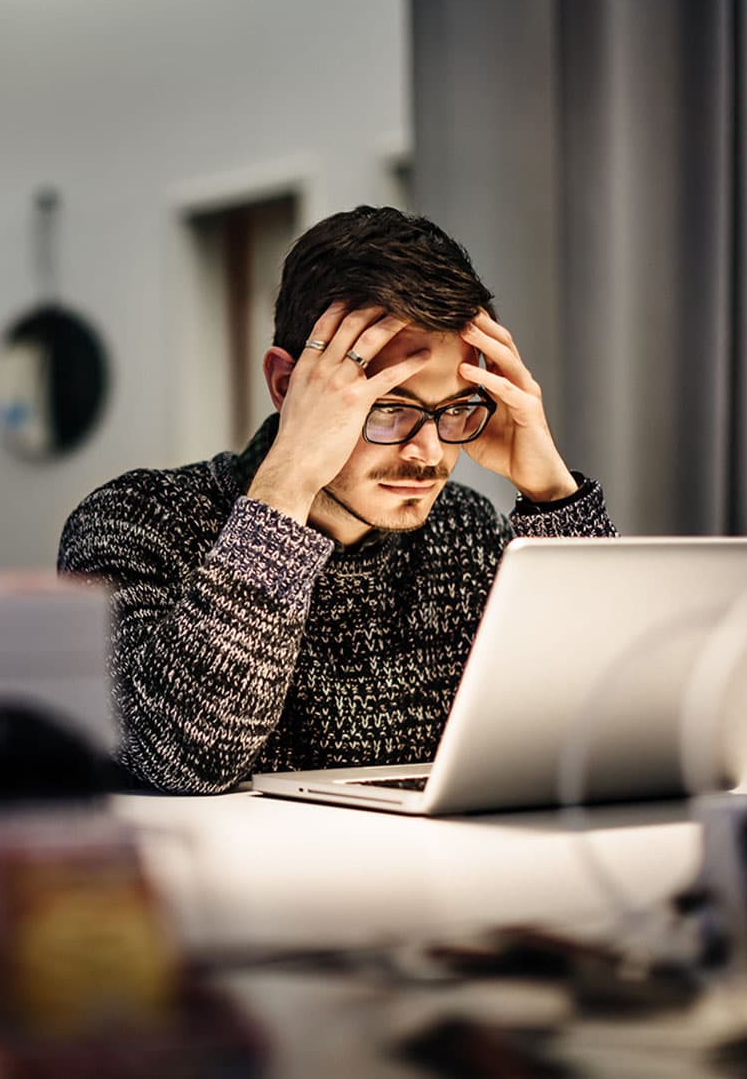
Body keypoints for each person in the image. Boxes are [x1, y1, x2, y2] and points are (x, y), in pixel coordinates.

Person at [58, 206, 617, 794]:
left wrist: (555, 496)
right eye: (390, 407)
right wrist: (289, 481)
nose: (428, 452)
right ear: (285, 386)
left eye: (454, 408)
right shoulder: (133, 522)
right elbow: (182, 762)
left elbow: (610, 724)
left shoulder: (468, 533)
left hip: (441, 878)